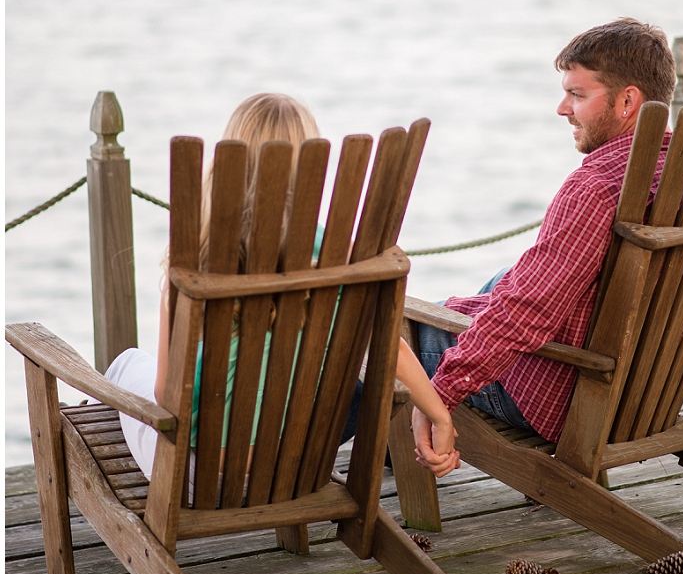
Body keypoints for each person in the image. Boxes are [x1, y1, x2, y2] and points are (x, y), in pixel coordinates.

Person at [105, 93, 459, 482]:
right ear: (311, 164)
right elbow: (385, 341)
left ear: (229, 162)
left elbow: (166, 398)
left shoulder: (196, 260)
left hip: (198, 478)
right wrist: (439, 414)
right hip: (296, 467)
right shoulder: (337, 255)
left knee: (124, 365)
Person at [407, 18, 677, 476]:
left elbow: (528, 311)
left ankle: (304, 461)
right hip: (649, 387)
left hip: (567, 393)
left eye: (577, 95)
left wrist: (437, 398)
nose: (561, 108)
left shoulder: (597, 187)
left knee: (397, 330)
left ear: (628, 100)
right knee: (502, 282)